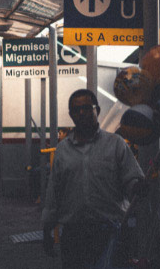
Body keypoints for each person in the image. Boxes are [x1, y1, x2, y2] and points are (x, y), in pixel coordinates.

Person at [42, 89, 148, 268]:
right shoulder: (62, 151)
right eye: (76, 110)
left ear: (97, 110)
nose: (81, 113)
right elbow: (54, 193)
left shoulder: (116, 145)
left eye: (86, 108)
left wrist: (137, 187)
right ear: (71, 115)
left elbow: (132, 180)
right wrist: (47, 230)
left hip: (110, 235)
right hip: (74, 237)